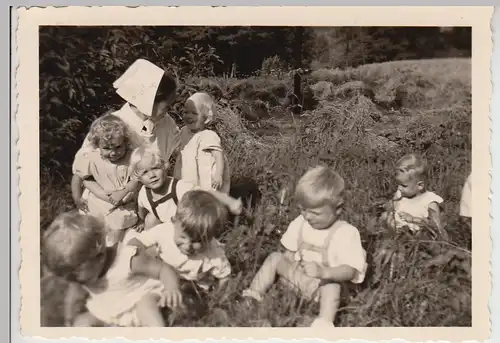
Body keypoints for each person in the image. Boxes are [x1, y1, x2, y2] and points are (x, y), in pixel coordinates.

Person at [241, 166, 367, 327]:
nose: (307, 216)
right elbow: (289, 253)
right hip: (301, 280)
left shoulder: (346, 233)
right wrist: (287, 269)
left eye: (315, 213)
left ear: (338, 209)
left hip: (327, 289)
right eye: (303, 210)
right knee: (275, 258)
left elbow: (350, 271)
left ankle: (324, 322)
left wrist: (324, 272)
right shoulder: (300, 223)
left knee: (332, 284)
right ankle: (253, 295)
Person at [72, 58, 181, 217]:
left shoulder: (167, 123)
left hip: (144, 201)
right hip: (105, 203)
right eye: (167, 105)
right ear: (148, 100)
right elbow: (83, 170)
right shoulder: (111, 127)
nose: (170, 109)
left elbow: (172, 155)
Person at [41, 211, 183, 327]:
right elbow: (74, 294)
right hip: (109, 307)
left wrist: (172, 288)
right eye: (70, 277)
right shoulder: (80, 276)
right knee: (82, 323)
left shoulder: (127, 259)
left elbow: (163, 269)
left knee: (146, 309)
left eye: (76, 275)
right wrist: (69, 315)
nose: (75, 280)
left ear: (99, 255)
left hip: (139, 296)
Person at [129, 190, 232, 291]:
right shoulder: (164, 231)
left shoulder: (214, 253)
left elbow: (224, 276)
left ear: (210, 239)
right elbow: (138, 240)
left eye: (197, 241)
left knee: (190, 299)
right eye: (183, 237)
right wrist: (133, 257)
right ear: (174, 221)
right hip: (165, 277)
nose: (188, 246)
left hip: (196, 287)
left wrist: (220, 296)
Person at [131, 147, 241, 231]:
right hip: (166, 224)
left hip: (186, 226)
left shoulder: (178, 187)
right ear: (138, 178)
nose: (152, 175)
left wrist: (229, 201)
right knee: (150, 219)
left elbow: (205, 192)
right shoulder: (144, 193)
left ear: (165, 166)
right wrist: (141, 221)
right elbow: (141, 207)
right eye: (145, 172)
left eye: (155, 168)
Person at [70, 114, 140, 246]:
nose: (113, 153)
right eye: (107, 148)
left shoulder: (131, 157)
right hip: (100, 200)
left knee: (118, 227)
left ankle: (114, 249)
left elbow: (137, 178)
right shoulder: (91, 158)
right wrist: (77, 198)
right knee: (95, 229)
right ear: (97, 145)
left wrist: (128, 193)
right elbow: (78, 177)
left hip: (123, 201)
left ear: (125, 142)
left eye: (118, 147)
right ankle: (100, 246)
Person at [172, 92, 231, 194]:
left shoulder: (209, 135)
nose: (189, 116)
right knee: (184, 192)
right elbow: (179, 147)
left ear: (206, 118)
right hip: (186, 172)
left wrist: (218, 174)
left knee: (205, 195)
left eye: (194, 113)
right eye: (186, 112)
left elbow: (218, 156)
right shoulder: (183, 131)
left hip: (203, 174)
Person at [380, 153, 444, 235]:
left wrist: (413, 219)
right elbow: (390, 210)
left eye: (404, 185)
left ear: (420, 185)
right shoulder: (401, 196)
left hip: (419, 238)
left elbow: (436, 226)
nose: (399, 188)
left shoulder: (429, 200)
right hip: (396, 234)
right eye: (398, 184)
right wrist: (392, 203)